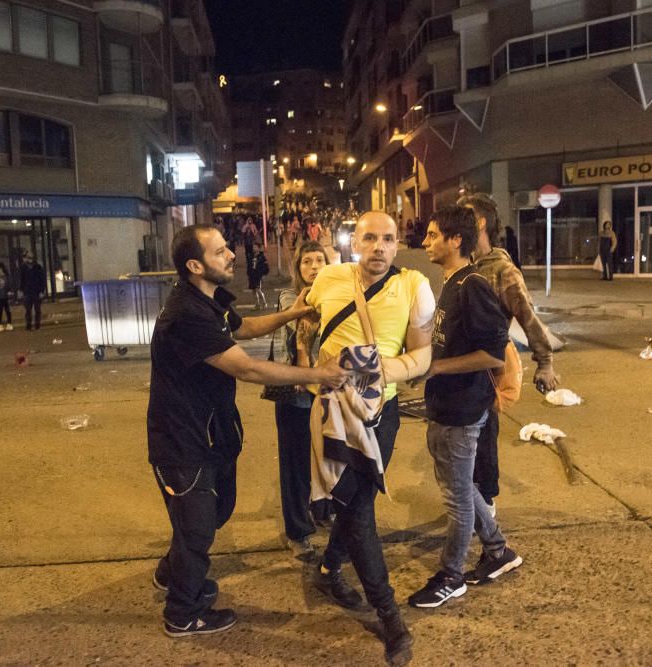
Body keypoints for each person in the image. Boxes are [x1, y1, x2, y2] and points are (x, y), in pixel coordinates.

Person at [148, 224, 346, 638]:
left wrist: (293, 313)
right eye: (220, 251)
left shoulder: (210, 299)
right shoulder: (187, 313)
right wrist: (317, 374)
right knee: (198, 526)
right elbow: (247, 366)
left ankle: (172, 572)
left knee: (209, 515)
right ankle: (183, 614)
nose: (232, 255)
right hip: (183, 441)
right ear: (195, 265)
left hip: (210, 433)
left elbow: (243, 328)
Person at [304, 211, 436, 666]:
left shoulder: (415, 286)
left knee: (356, 501)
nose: (379, 247)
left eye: (388, 239)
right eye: (370, 238)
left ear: (398, 245)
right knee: (357, 506)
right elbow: (306, 326)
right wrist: (310, 375)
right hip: (333, 411)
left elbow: (422, 354)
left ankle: (326, 570)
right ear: (354, 243)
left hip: (384, 412)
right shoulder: (328, 278)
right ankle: (389, 616)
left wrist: (383, 370)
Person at [410, 205, 522, 609]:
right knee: (463, 488)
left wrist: (435, 366)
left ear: (456, 240)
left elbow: (493, 354)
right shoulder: (451, 282)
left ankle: (451, 575)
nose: (426, 242)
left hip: (463, 408)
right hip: (444, 404)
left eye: (433, 235)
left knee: (456, 498)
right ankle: (498, 551)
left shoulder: (472, 284)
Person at [458, 192, 559, 513]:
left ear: (481, 222)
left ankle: (485, 508)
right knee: (466, 442)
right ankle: (471, 502)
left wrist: (545, 363)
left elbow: (529, 319)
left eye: (465, 217)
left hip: (488, 371)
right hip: (464, 370)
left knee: (483, 439)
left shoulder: (503, 271)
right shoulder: (467, 266)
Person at [275, 241, 336, 561]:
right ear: (297, 270)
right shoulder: (290, 298)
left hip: (327, 392)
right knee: (296, 466)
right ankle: (297, 532)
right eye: (307, 262)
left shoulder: (337, 295)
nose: (314, 267)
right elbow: (297, 323)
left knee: (326, 458)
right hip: (296, 393)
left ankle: (323, 511)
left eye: (320, 260)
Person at [18, 253, 46, 331]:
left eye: (30, 258)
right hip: (27, 291)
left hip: (36, 291)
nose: (28, 259)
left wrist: (41, 291)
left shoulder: (38, 267)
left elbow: (42, 280)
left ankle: (37, 325)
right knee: (28, 309)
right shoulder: (23, 268)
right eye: (27, 258)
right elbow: (21, 280)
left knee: (37, 309)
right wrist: (21, 290)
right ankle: (28, 325)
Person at [247, 242, 270, 309]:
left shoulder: (262, 257)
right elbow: (249, 265)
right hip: (252, 275)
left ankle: (264, 303)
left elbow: (266, 267)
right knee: (253, 290)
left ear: (259, 248)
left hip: (258, 275)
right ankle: (257, 304)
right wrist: (248, 273)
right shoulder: (251, 256)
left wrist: (263, 274)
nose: (254, 248)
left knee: (258, 289)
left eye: (255, 247)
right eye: (253, 247)